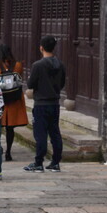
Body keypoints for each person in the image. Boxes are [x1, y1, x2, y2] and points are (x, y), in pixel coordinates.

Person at [23, 35, 67, 173]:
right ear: (54, 48)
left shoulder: (38, 65)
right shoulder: (60, 64)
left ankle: (38, 162)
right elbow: (62, 83)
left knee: (40, 134)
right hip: (54, 102)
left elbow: (30, 84)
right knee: (55, 132)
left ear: (41, 47)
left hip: (41, 103)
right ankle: (55, 162)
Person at [0, 44, 27, 161]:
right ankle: (8, 152)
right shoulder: (17, 65)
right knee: (10, 128)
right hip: (13, 99)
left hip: (0, 99)